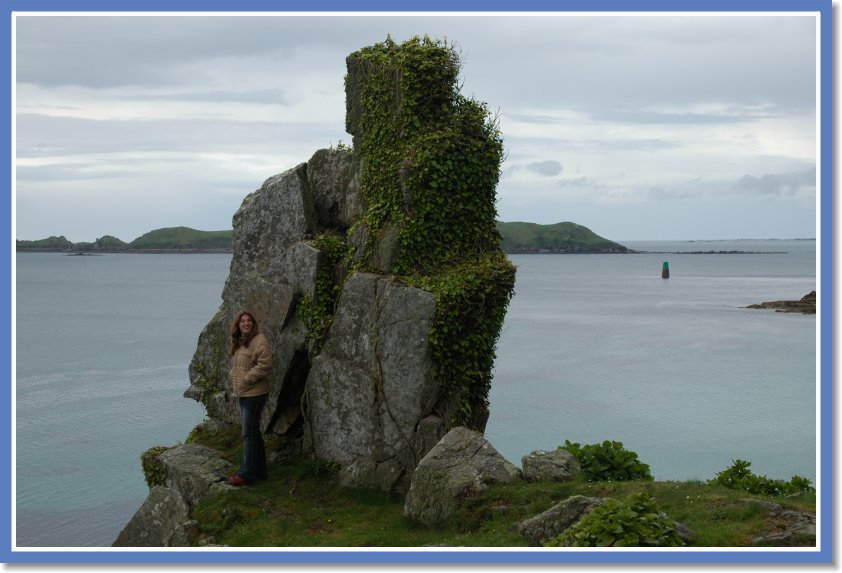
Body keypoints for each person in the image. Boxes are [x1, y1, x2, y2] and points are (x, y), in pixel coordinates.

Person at [226, 310, 272, 486]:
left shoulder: (259, 340)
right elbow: (240, 365)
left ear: (253, 324)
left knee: (247, 434)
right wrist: (234, 375)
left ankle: (246, 474)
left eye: (249, 321)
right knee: (253, 432)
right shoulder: (241, 342)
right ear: (238, 325)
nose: (246, 323)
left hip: (255, 393)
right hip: (245, 392)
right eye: (242, 321)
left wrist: (246, 379)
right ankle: (260, 471)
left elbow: (265, 365)